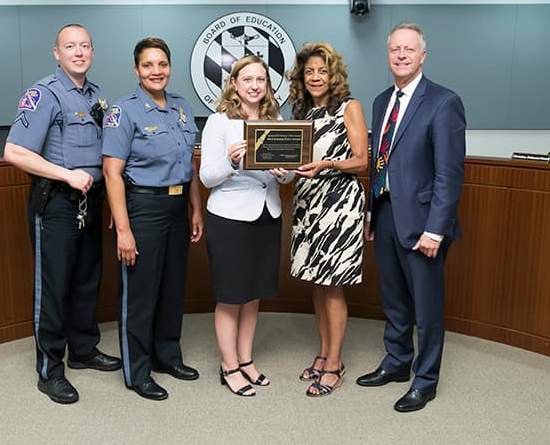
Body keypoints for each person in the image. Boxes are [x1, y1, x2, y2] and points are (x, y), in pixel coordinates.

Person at [4, 24, 121, 405]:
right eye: (70, 46)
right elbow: (15, 152)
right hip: (55, 203)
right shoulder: (44, 94)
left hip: (91, 202)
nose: (78, 52)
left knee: (88, 279)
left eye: (85, 45)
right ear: (57, 53)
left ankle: (84, 350)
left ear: (92, 51)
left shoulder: (97, 95)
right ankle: (50, 369)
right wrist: (66, 175)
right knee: (54, 287)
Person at [355, 22, 466, 412]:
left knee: (427, 305)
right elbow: (380, 162)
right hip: (385, 214)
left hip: (423, 223)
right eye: (395, 50)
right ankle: (397, 362)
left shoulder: (443, 101)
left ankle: (426, 379)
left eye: (409, 49)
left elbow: (449, 174)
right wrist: (371, 213)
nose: (401, 55)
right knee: (394, 300)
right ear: (388, 56)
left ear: (423, 56)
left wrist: (436, 229)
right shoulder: (382, 100)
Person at [102, 37, 203, 401]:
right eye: (148, 65)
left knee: (172, 289)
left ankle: (167, 356)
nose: (156, 71)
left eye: (162, 64)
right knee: (140, 295)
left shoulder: (181, 107)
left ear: (169, 67)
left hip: (177, 208)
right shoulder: (123, 111)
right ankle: (138, 370)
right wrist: (124, 230)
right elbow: (112, 173)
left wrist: (196, 208)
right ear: (136, 70)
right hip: (143, 208)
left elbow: (189, 162)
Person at [200, 56, 293, 397]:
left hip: (267, 216)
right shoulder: (218, 122)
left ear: (267, 86)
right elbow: (207, 176)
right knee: (230, 297)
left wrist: (287, 173)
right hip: (230, 219)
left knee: (252, 296)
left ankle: (246, 359)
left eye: (261, 80)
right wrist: (231, 161)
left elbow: (288, 171)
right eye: (248, 79)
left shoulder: (275, 120)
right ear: (234, 84)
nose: (255, 85)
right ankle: (228, 366)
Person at [286, 42, 369, 397]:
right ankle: (322, 353)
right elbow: (297, 160)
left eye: (322, 71)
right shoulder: (302, 113)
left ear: (333, 74)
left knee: (333, 286)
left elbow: (362, 160)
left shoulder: (350, 107)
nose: (316, 77)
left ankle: (335, 363)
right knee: (316, 285)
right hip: (308, 203)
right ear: (301, 78)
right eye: (309, 72)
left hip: (339, 203)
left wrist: (328, 164)